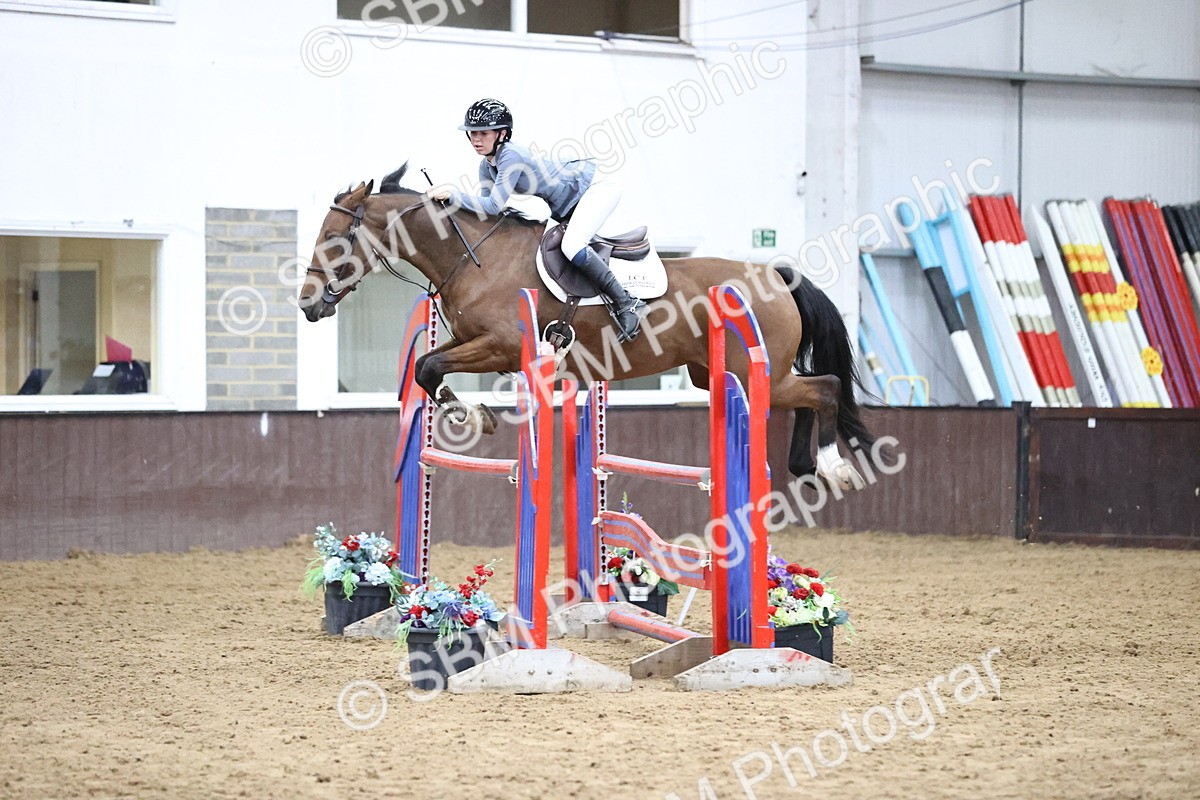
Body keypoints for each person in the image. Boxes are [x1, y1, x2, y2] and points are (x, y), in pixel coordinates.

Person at [427, 98, 646, 342]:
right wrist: (446, 210)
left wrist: (454, 195)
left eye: (483, 133)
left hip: (596, 187)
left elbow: (493, 205)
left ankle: (627, 304)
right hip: (565, 203)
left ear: (502, 133)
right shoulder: (487, 166)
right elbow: (486, 215)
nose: (476, 139)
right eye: (472, 133)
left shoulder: (511, 156)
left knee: (572, 246)